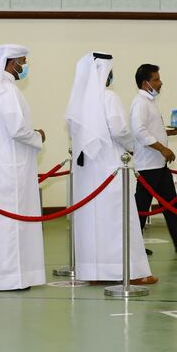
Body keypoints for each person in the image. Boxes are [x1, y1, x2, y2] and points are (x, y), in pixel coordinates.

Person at [65, 52, 156, 285]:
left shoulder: (78, 101)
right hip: (110, 168)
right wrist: (132, 146)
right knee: (118, 219)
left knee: (92, 222)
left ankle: (95, 274)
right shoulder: (109, 97)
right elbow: (119, 130)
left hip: (86, 173)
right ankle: (131, 273)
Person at [0, 44, 47, 291]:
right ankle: (11, 276)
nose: (24, 67)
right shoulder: (6, 90)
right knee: (11, 222)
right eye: (22, 62)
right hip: (10, 167)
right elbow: (17, 129)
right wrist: (38, 136)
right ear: (10, 63)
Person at [129, 64, 177, 254]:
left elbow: (153, 129)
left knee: (171, 206)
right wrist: (163, 149)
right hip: (148, 165)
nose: (160, 83)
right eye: (156, 79)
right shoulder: (140, 103)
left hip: (159, 165)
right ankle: (133, 247)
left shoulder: (150, 102)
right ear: (146, 83)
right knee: (141, 208)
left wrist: (172, 131)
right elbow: (139, 131)